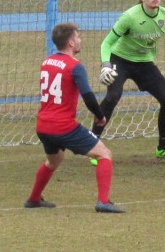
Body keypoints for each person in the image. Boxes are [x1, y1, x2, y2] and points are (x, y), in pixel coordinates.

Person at [92, 0, 165, 164]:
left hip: (144, 64)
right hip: (120, 60)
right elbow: (106, 43)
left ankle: (162, 149)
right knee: (112, 97)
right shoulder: (130, 17)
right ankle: (92, 147)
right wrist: (106, 65)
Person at [27, 23, 124, 213]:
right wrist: (100, 116)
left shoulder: (46, 62)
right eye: (78, 37)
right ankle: (103, 202)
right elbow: (87, 96)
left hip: (43, 125)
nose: (80, 40)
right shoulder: (75, 67)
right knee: (104, 154)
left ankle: (34, 199)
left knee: (54, 161)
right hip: (63, 126)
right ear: (71, 42)